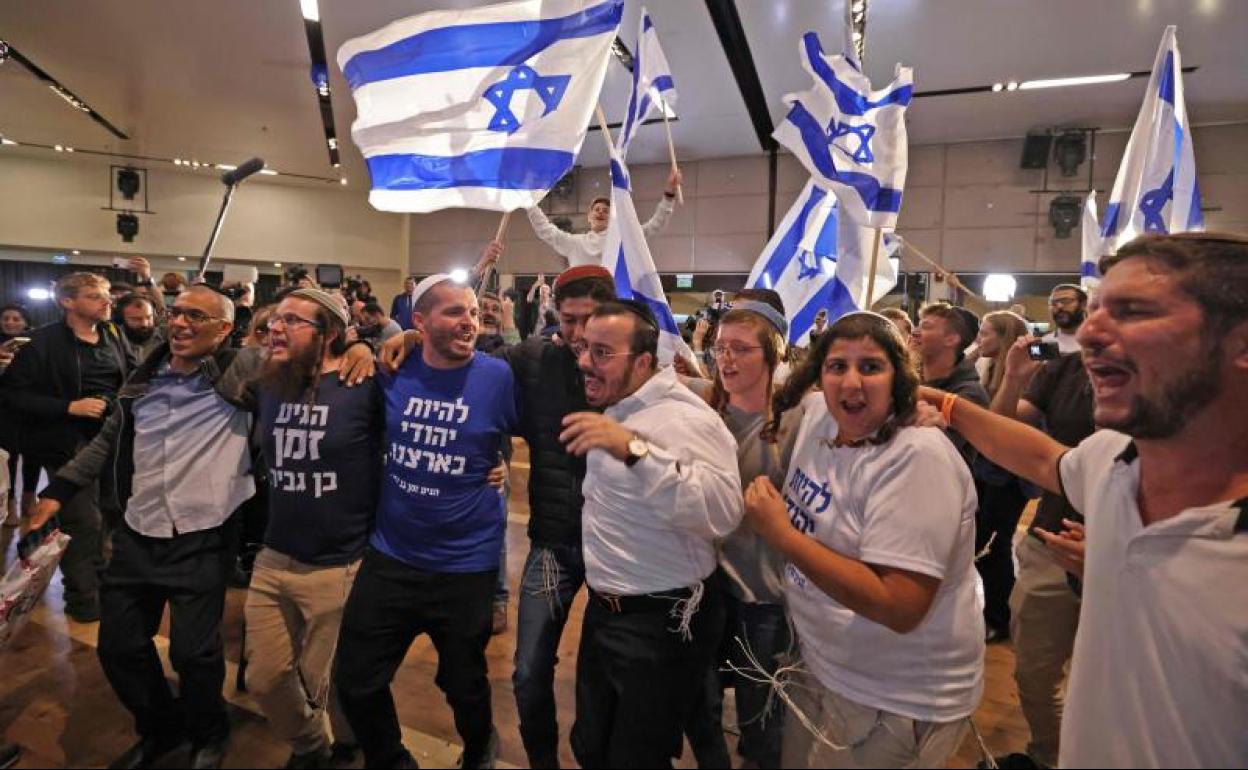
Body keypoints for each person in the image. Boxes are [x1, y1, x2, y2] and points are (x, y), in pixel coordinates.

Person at [919, 232, 1248, 768]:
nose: (1091, 331)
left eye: (1134, 312)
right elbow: (1046, 460)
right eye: (1095, 311)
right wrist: (950, 407)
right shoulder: (1117, 457)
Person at [380, 264, 618, 769]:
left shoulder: (638, 364)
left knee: (607, 683)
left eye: (588, 320)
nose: (575, 333)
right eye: (568, 319)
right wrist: (406, 335)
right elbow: (465, 364)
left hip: (619, 551)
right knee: (529, 671)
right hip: (554, 544)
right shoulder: (534, 360)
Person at [26, 285, 259, 769]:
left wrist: (365, 344)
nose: (180, 323)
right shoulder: (143, 376)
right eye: (176, 313)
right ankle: (160, 727)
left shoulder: (241, 371)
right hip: (138, 529)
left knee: (195, 655)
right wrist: (58, 492)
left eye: (197, 316)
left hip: (205, 534)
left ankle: (208, 731)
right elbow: (107, 439)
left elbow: (305, 352)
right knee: (119, 647)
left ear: (224, 330)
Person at [746, 312, 984, 769]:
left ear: (899, 375)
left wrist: (782, 535)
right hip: (822, 664)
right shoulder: (819, 414)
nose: (851, 382)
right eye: (837, 366)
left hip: (894, 693)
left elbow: (899, 605)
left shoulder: (915, 458)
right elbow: (756, 390)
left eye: (871, 367)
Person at [335, 274, 519, 770]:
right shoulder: (393, 368)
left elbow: (522, 430)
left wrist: (503, 467)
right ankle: (391, 759)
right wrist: (367, 347)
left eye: (475, 313)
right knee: (355, 678)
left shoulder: (497, 376)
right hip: (392, 557)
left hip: (465, 566)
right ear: (420, 321)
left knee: (464, 684)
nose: (470, 322)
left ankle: (480, 746)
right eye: (455, 313)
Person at [562, 299, 742, 768]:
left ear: (643, 362)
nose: (585, 362)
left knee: (636, 758)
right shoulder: (616, 404)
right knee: (591, 745)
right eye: (584, 348)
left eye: (602, 352)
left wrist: (637, 451)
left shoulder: (684, 420)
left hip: (662, 622)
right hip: (606, 613)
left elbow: (723, 513)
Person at [245, 289, 382, 769]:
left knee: (322, 681)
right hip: (274, 557)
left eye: (291, 321)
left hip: (339, 564)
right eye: (274, 319)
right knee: (263, 678)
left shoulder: (364, 384)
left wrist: (371, 343)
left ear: (329, 335)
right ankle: (312, 747)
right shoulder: (267, 382)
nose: (275, 328)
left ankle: (345, 746)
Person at [687, 293, 802, 769]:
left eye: (740, 348)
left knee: (761, 720)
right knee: (703, 704)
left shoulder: (798, 419)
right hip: (707, 586)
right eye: (719, 347)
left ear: (773, 353)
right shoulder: (703, 406)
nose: (725, 358)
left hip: (763, 592)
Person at [4, 272, 136, 622]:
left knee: (111, 516)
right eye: (95, 295)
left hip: (110, 440)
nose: (107, 301)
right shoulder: (39, 342)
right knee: (83, 522)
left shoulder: (113, 334)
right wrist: (68, 406)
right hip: (63, 444)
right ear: (67, 302)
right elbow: (13, 395)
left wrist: (111, 402)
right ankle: (84, 602)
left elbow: (126, 381)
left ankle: (108, 592)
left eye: (107, 294)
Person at [972, 311, 1034, 644]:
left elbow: (1000, 424)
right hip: (988, 470)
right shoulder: (988, 366)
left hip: (1008, 477)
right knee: (986, 545)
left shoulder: (1024, 375)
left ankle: (999, 617)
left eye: (985, 333)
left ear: (1003, 337)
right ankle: (997, 614)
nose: (979, 340)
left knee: (993, 546)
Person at [526, 169, 682, 268]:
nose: (600, 213)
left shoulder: (622, 241)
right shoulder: (575, 243)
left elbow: (655, 225)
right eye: (596, 210)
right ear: (589, 217)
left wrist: (669, 195)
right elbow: (545, 229)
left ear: (611, 218)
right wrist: (529, 202)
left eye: (606, 211)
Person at [911, 303, 989, 465]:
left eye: (925, 326)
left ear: (951, 339)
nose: (914, 332)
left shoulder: (970, 394)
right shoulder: (912, 380)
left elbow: (933, 451)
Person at [0, 303, 34, 526]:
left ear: (26, 322)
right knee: (8, 458)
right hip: (4, 410)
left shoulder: (37, 344)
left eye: (16, 318)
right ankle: (10, 504)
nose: (10, 322)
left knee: (34, 455)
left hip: (33, 408)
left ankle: (29, 499)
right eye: (6, 318)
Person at [117, 294, 165, 359]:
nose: (144, 324)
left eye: (148, 317)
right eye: (136, 319)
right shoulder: (112, 340)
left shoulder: (166, 336)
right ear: (122, 319)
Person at [1042, 284, 1086, 354]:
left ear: (1083, 304)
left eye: (1066, 301)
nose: (1059, 306)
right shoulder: (1045, 342)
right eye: (1054, 303)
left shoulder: (1098, 341)